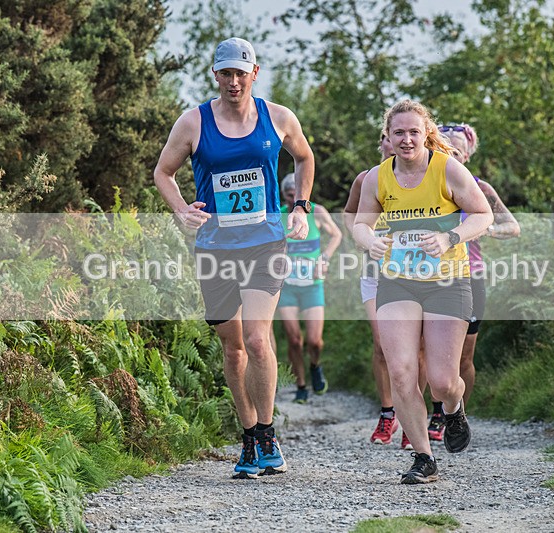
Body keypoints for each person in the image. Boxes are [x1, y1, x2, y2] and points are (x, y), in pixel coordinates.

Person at [154, 37, 315, 479]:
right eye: (225, 73)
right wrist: (181, 209)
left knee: (259, 339)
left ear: (254, 74)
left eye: (241, 73)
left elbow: (304, 158)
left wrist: (300, 207)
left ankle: (267, 434)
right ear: (216, 76)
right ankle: (248, 436)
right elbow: (162, 172)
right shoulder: (193, 123)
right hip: (216, 246)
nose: (233, 81)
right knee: (233, 344)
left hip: (265, 242)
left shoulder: (278, 117)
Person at [352, 100, 493, 484]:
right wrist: (370, 241)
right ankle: (424, 458)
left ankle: (453, 408)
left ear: (426, 133)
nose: (406, 139)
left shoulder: (447, 168)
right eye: (399, 132)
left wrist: (450, 237)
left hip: (448, 281)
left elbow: (483, 215)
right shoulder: (377, 178)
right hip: (397, 281)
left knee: (444, 380)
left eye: (414, 131)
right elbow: (360, 223)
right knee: (401, 371)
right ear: (388, 136)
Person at [425, 123, 521, 442]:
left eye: (457, 151)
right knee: (429, 350)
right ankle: (437, 412)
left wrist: (487, 229)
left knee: (464, 356)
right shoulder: (425, 182)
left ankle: (456, 418)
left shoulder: (480, 187)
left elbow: (512, 226)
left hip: (470, 275)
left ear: (467, 155)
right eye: (445, 149)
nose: (450, 154)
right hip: (427, 276)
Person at [343, 132, 425, 450]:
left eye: (406, 135)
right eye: (390, 137)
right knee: (381, 344)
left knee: (417, 348)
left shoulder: (422, 178)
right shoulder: (367, 179)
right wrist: (362, 236)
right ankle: (388, 413)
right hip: (375, 270)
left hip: (413, 271)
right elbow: (349, 214)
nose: (397, 143)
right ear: (383, 143)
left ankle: (412, 422)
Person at [278, 173, 343, 404]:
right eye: (287, 197)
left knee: (315, 341)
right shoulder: (280, 215)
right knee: (294, 339)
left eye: (294, 196)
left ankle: (315, 366)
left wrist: (324, 258)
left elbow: (337, 234)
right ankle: (301, 386)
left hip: (312, 286)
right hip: (287, 286)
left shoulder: (316, 212)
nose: (291, 201)